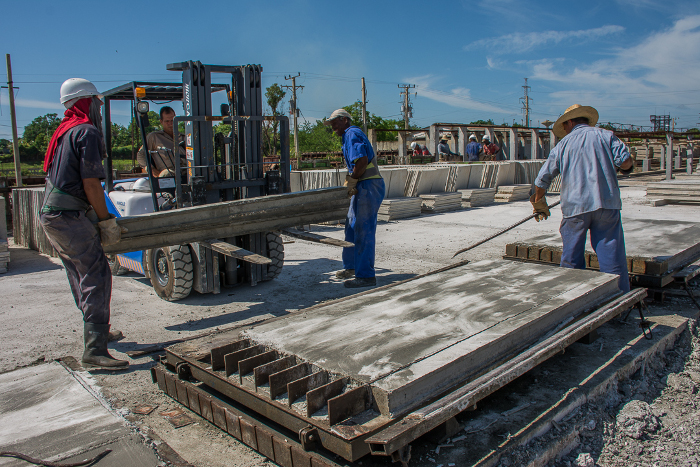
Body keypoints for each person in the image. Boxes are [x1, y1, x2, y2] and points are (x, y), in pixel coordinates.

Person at [40, 78, 129, 369]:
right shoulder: (86, 132)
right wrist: (105, 219)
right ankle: (95, 351)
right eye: (97, 100)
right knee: (97, 274)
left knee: (80, 274)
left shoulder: (65, 131)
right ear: (86, 102)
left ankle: (98, 333)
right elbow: (91, 184)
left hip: (54, 215)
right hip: (68, 217)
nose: (100, 106)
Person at [531, 104, 634, 293]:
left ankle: (573, 299)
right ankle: (618, 300)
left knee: (571, 259)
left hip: (575, 208)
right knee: (611, 257)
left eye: (565, 126)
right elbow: (625, 162)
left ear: (570, 122)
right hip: (606, 204)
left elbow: (542, 179)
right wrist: (625, 167)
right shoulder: (606, 136)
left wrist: (539, 203)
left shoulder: (563, 145)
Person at [324, 109, 386, 288]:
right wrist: (352, 181)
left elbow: (361, 161)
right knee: (351, 226)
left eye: (334, 122)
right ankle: (351, 267)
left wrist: (353, 180)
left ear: (344, 119)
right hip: (362, 186)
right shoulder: (347, 136)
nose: (333, 127)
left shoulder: (352, 133)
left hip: (368, 186)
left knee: (363, 230)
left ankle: (366, 276)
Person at [136, 106, 186, 176]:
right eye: (167, 121)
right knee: (166, 174)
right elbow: (141, 155)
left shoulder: (185, 137)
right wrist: (150, 169)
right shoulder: (154, 137)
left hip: (187, 170)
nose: (170, 124)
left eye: (172, 121)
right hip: (170, 172)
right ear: (161, 121)